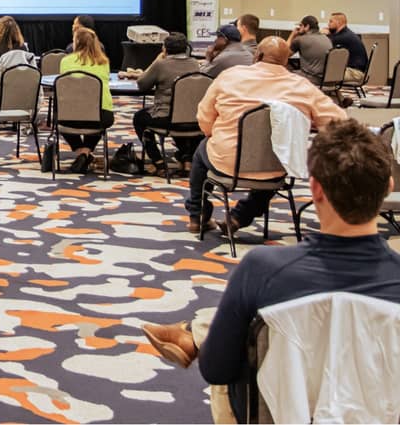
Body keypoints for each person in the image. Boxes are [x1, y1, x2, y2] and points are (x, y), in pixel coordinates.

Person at [143, 120, 400, 424]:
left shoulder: (262, 268)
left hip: (274, 416)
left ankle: (196, 333)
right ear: (388, 188)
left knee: (245, 329)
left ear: (315, 188)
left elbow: (216, 370)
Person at [185, 36, 345, 234]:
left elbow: (204, 118)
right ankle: (238, 217)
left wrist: (213, 135)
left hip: (226, 161)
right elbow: (339, 122)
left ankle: (197, 214)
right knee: (277, 160)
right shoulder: (302, 87)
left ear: (257, 55)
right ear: (286, 61)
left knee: (202, 150)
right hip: (277, 165)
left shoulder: (230, 76)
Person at [134, 31, 201, 173]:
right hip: (192, 118)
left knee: (139, 118)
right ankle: (187, 159)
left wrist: (157, 60)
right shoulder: (195, 64)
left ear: (164, 48)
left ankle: (158, 161)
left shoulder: (161, 64)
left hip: (166, 118)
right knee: (181, 116)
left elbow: (142, 84)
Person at [57, 27, 114, 173]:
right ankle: (86, 152)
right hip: (100, 115)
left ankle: (81, 152)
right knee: (98, 121)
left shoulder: (65, 61)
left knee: (58, 120)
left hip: (69, 116)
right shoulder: (104, 62)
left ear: (75, 42)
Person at [287, 14, 332, 86]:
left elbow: (284, 54)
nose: (299, 28)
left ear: (307, 26)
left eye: (301, 25)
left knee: (285, 74)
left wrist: (292, 35)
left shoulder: (300, 39)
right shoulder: (326, 38)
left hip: (313, 79)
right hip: (329, 79)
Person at [326, 12, 368, 84]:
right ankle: (334, 94)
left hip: (355, 73)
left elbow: (326, 42)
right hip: (356, 70)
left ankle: (332, 94)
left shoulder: (344, 37)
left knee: (324, 75)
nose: (328, 24)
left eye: (331, 21)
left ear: (338, 22)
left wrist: (323, 34)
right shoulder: (346, 33)